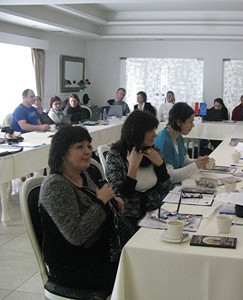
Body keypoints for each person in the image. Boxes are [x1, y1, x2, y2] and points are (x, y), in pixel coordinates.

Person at [39, 125, 121, 293]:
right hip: (73, 267)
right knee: (136, 275)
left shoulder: (84, 174)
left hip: (98, 255)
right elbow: (76, 235)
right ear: (62, 153)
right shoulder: (55, 185)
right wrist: (101, 202)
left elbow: (96, 206)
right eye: (79, 147)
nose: (87, 151)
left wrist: (112, 202)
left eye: (89, 146)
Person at [106, 110, 171, 229]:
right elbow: (120, 196)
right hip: (128, 219)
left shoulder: (153, 152)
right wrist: (133, 167)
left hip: (154, 214)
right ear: (137, 132)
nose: (155, 135)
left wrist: (160, 165)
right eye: (150, 131)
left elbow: (166, 189)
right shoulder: (115, 155)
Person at [154, 102, 209, 184]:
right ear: (179, 122)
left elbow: (183, 161)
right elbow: (169, 176)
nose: (193, 125)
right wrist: (195, 165)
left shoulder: (178, 137)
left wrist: (200, 162)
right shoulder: (164, 141)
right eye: (190, 122)